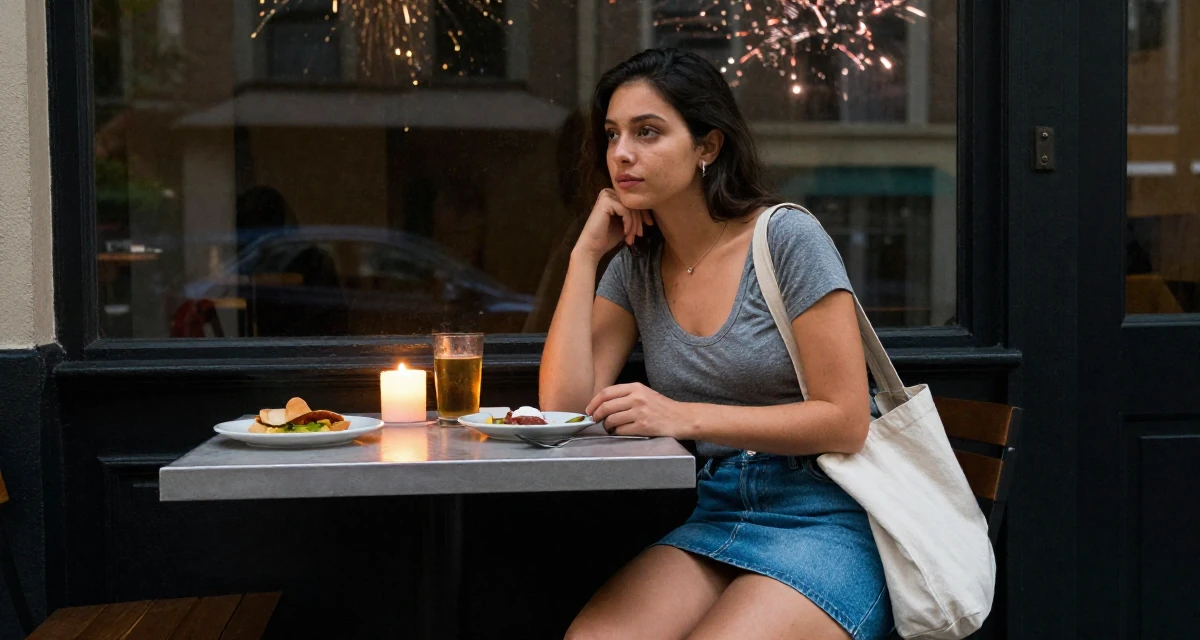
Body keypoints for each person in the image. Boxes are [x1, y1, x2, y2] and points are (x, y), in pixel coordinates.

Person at [540, 49, 892, 640]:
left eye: (648, 132)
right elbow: (563, 404)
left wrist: (681, 416)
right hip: (721, 511)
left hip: (827, 517)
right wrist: (584, 255)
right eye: (612, 135)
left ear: (708, 146)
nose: (622, 153)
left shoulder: (787, 238)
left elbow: (847, 420)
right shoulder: (636, 264)